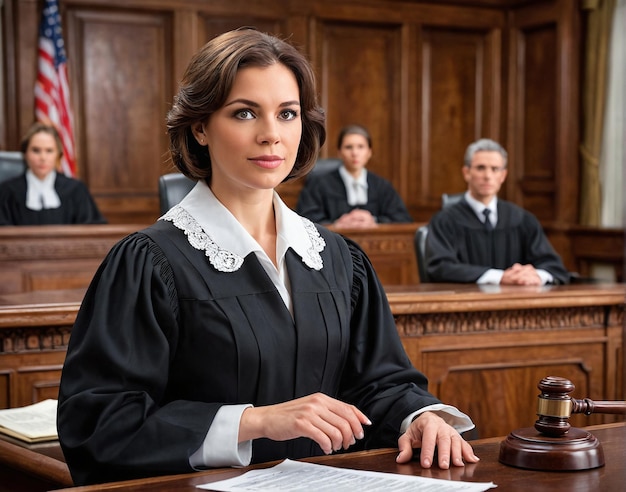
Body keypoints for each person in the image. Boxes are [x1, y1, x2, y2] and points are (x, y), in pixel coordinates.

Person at [57, 28, 479, 486]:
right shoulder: (150, 263)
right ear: (199, 127)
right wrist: (254, 422)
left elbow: (379, 384)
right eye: (244, 113)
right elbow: (99, 425)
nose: (271, 135)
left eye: (288, 114)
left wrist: (417, 417)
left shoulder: (338, 259)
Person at [425, 138, 570, 285]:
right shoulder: (445, 221)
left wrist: (535, 276)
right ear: (466, 173)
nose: (487, 176)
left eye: (495, 169)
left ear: (503, 176)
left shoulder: (522, 219)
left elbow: (554, 266)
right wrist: (499, 277)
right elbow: (440, 268)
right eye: (480, 168)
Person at [296, 124, 413, 227]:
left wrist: (374, 221)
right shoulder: (319, 185)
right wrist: (337, 224)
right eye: (348, 147)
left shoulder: (382, 186)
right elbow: (304, 221)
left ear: (369, 152)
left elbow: (403, 220)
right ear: (339, 152)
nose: (355, 153)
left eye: (360, 147)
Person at [0, 123, 106, 225]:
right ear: (25, 154)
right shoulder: (7, 191)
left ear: (58, 155)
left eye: (49, 151)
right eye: (36, 150)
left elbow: (93, 229)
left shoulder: (76, 189)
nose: (43, 157)